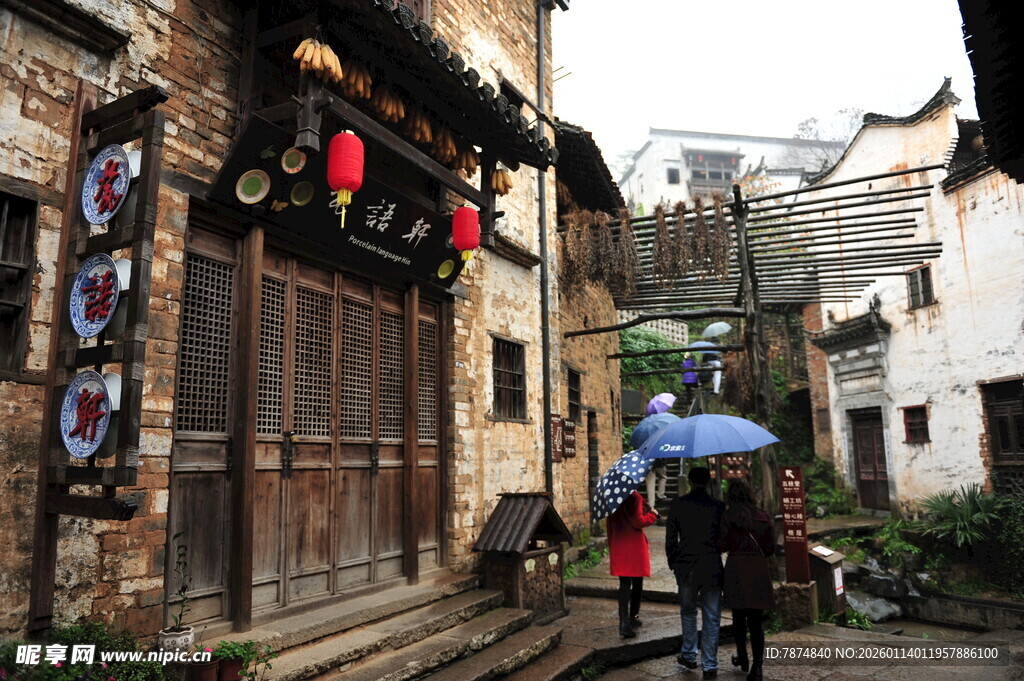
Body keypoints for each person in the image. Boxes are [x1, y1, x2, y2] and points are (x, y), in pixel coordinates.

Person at [666, 467, 725, 679]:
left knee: (688, 612)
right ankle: (710, 665)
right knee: (712, 616)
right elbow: (723, 539)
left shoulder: (678, 505)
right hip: (711, 567)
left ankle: (689, 655)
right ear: (708, 482)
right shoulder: (718, 506)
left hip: (686, 566)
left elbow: (671, 539)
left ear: (690, 481)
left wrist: (674, 563)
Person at [719, 480, 775, 681]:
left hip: (736, 569)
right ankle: (757, 667)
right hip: (758, 570)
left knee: (738, 618)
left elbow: (722, 545)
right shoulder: (763, 516)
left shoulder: (727, 516)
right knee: (756, 622)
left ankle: (742, 657)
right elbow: (770, 549)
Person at [607, 489, 659, 638]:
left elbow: (610, 522)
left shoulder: (613, 496)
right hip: (634, 545)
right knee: (637, 582)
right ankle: (632, 616)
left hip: (619, 542)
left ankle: (624, 622)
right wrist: (652, 515)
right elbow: (638, 521)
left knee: (624, 584)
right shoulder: (634, 497)